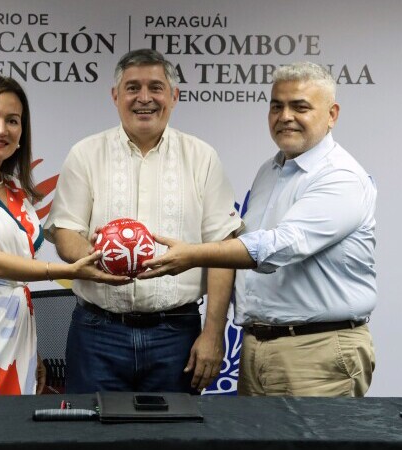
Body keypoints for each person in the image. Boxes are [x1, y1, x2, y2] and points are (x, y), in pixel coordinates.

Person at [138, 62, 377, 397]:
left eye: (300, 106)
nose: (285, 116)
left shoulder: (340, 176)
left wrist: (193, 254)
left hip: (316, 350)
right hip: (259, 347)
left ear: (332, 114)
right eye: (276, 106)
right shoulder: (271, 170)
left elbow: (280, 246)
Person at [44, 49, 243, 394]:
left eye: (156, 87)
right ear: (115, 96)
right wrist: (93, 259)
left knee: (172, 439)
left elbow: (223, 249)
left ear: (174, 96)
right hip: (97, 332)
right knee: (91, 437)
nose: (144, 98)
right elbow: (65, 232)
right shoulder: (85, 153)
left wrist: (213, 334)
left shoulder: (202, 157)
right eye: (133, 87)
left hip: (176, 334)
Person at [0, 75, 128, 396]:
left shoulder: (16, 191)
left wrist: (33, 351)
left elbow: (20, 271)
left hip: (17, 339)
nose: (1, 129)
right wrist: (69, 272)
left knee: (14, 442)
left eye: (12, 121)